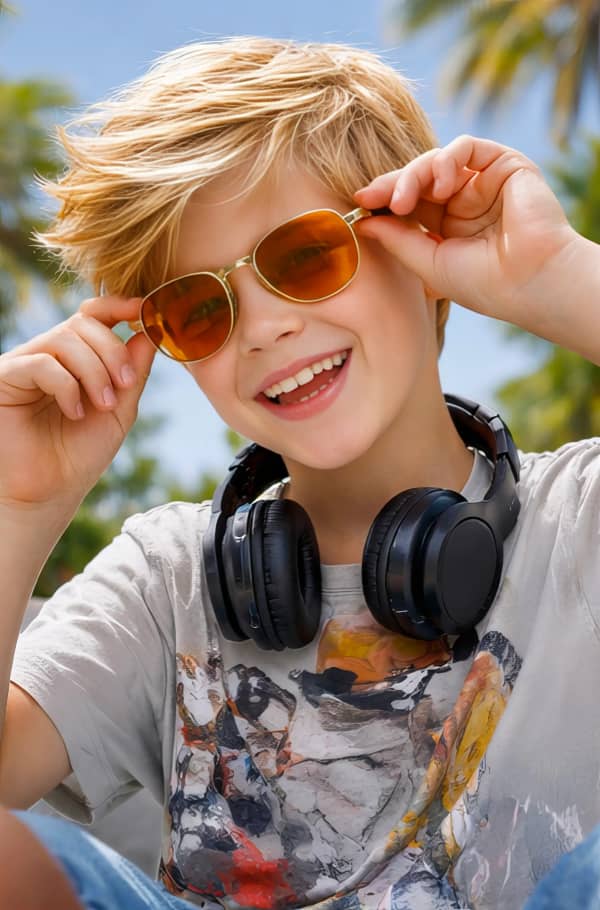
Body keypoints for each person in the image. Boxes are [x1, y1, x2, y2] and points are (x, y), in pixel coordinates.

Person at [0, 35, 599, 910]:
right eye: (200, 309)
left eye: (305, 256)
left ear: (419, 242)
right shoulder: (165, 577)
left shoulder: (580, 515)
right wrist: (17, 508)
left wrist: (558, 277)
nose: (264, 329)